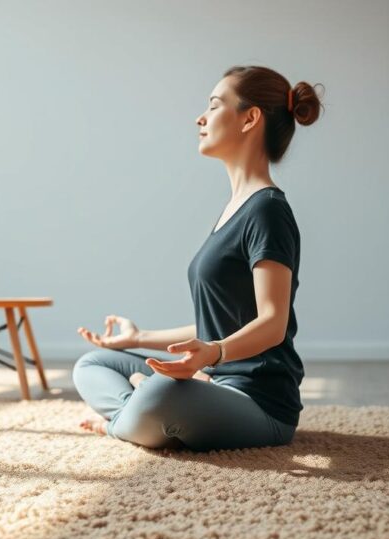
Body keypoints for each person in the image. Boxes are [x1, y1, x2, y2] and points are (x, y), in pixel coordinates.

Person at [72, 65, 325, 452]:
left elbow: (273, 324)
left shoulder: (268, 210)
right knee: (93, 364)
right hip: (210, 379)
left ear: (250, 118)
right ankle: (137, 413)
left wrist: (217, 354)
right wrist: (137, 338)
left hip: (258, 403)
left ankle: (125, 418)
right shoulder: (235, 209)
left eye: (214, 104)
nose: (200, 117)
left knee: (161, 394)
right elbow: (217, 323)